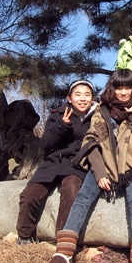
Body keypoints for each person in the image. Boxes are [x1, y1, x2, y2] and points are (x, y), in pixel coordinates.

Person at [43, 69, 132, 263]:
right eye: (119, 87)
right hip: (103, 165)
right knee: (83, 198)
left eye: (128, 87)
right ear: (112, 89)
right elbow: (90, 143)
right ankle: (64, 253)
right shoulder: (102, 112)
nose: (123, 92)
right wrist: (100, 172)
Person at [16, 80, 98, 244]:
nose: (82, 99)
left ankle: (63, 239)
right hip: (53, 163)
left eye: (87, 95)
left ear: (93, 99)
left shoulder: (97, 118)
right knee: (29, 194)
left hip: (77, 165)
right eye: (78, 94)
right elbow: (45, 144)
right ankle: (24, 236)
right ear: (69, 98)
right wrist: (62, 125)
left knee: (71, 191)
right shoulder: (58, 115)